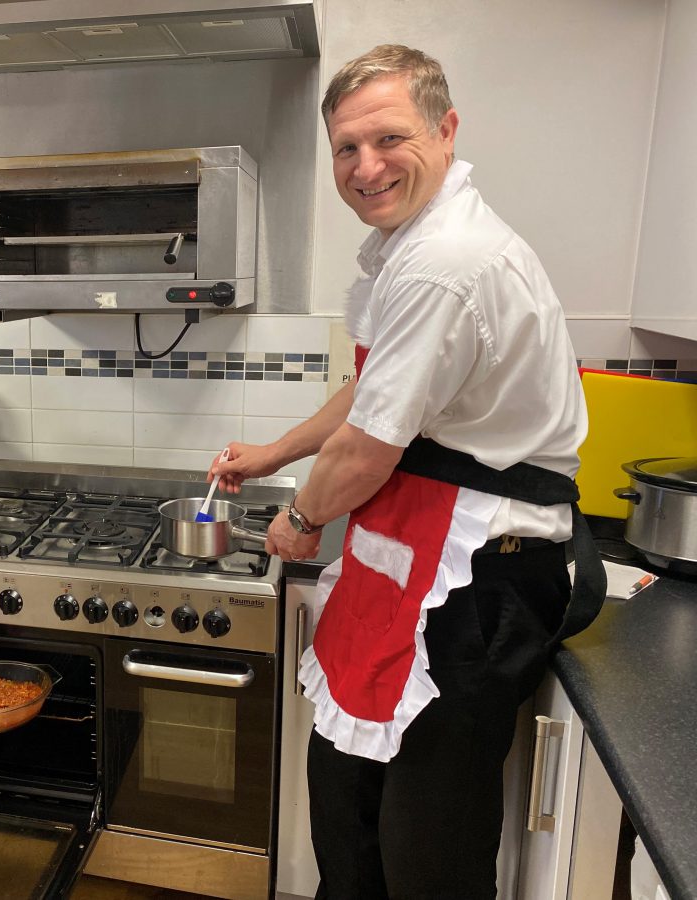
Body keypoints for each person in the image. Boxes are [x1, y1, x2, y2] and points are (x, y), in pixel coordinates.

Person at [209, 45, 604, 899]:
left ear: (446, 128)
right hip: (409, 563)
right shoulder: (407, 247)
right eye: (346, 149)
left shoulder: (445, 264)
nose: (367, 166)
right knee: (349, 814)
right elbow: (369, 393)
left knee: (430, 852)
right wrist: (276, 454)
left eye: (388, 138)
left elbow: (366, 450)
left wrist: (302, 519)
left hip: (476, 591)